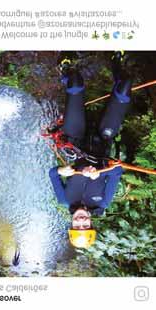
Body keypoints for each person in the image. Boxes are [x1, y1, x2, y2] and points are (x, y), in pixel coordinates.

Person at [49, 53, 132, 249]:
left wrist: (62, 172)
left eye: (77, 225)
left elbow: (52, 173)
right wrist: (99, 173)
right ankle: (115, 62)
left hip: (75, 139)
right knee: (125, 88)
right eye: (85, 225)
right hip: (102, 140)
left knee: (76, 83)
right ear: (91, 223)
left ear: (71, 224)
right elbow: (117, 171)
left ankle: (66, 71)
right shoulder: (103, 201)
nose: (81, 221)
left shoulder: (64, 199)